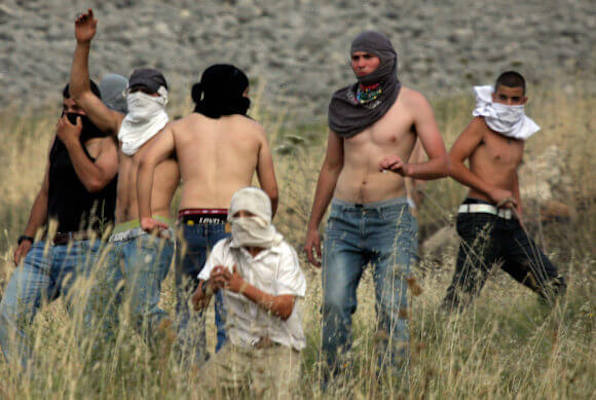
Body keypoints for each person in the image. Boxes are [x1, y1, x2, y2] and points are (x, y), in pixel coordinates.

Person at [303, 30, 448, 384]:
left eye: (368, 56)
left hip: (392, 220)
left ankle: (393, 385)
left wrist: (409, 168)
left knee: (392, 307)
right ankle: (333, 384)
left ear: (386, 58)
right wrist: (313, 225)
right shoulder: (342, 103)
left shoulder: (413, 103)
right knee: (335, 305)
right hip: (343, 220)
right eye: (355, 57)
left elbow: (442, 162)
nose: (360, 63)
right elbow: (331, 167)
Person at [136, 64, 278, 363]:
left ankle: (193, 382)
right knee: (230, 315)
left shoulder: (181, 127)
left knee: (189, 310)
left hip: (190, 225)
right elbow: (272, 192)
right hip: (232, 227)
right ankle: (225, 386)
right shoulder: (254, 130)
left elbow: (145, 163)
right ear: (240, 93)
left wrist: (146, 216)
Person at [69, 9, 179, 344]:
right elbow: (82, 94)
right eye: (136, 91)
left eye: (148, 92)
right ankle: (107, 379)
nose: (140, 97)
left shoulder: (174, 134)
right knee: (97, 316)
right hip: (118, 236)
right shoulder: (121, 127)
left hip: (151, 234)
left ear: (162, 97)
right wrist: (83, 44)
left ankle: (175, 365)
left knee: (142, 313)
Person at [0, 81, 118, 369]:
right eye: (65, 109)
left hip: (88, 249)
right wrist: (27, 237)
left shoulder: (109, 142)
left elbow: (95, 181)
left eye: (77, 109)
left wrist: (72, 142)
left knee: (90, 335)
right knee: (9, 315)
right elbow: (46, 191)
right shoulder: (60, 140)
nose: (69, 115)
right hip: (47, 248)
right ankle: (36, 385)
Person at [440, 71, 566, 312]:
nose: (509, 104)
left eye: (514, 99)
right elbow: (451, 163)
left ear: (523, 101)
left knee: (553, 285)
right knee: (461, 296)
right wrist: (492, 191)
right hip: (480, 217)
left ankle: (545, 340)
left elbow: (511, 172)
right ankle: (438, 341)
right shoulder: (481, 125)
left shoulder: (520, 133)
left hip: (509, 223)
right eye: (503, 98)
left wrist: (518, 208)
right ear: (494, 97)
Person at [191, 187, 305, 398]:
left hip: (279, 348)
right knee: (198, 392)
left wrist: (241, 287)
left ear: (263, 217)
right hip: (238, 348)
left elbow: (285, 308)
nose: (242, 221)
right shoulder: (222, 250)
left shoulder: (283, 254)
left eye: (249, 215)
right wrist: (209, 287)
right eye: (236, 216)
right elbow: (197, 304)